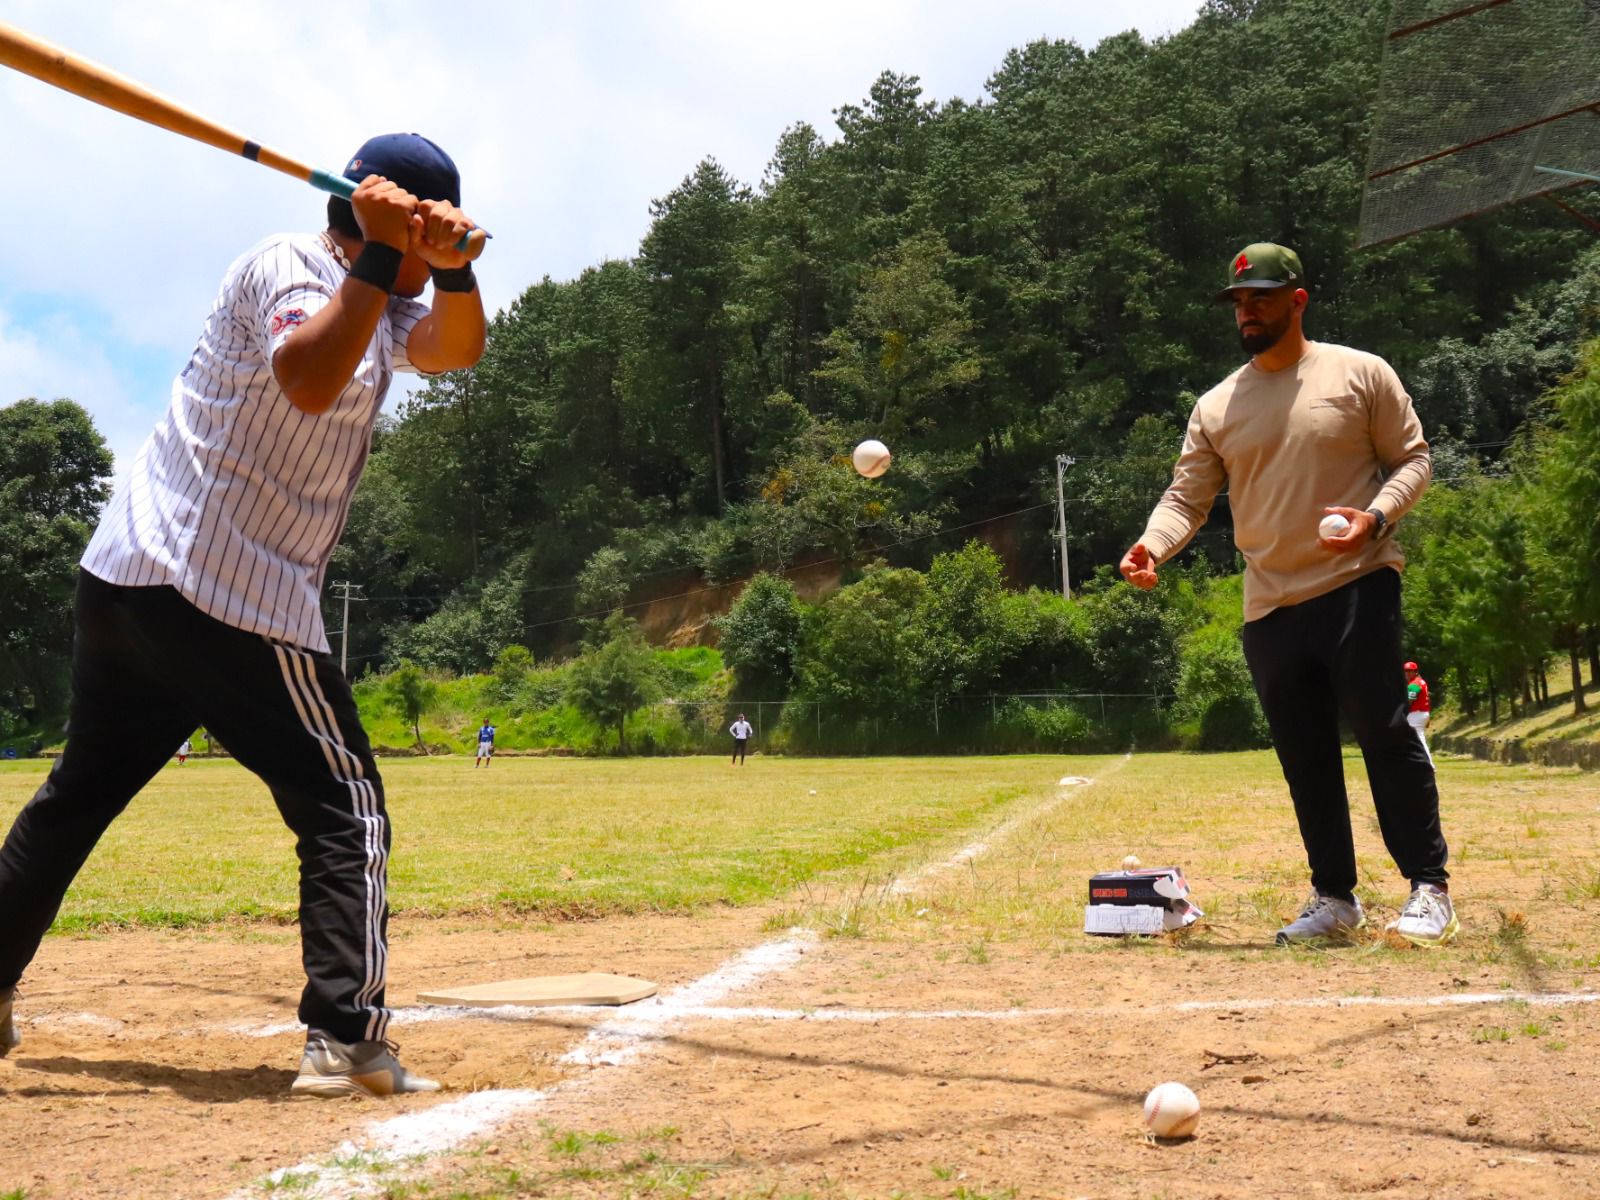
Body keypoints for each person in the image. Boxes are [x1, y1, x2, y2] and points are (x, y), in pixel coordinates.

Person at [0, 133, 487, 1095]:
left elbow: (455, 349)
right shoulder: (291, 265)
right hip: (224, 588)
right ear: (378, 224)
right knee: (345, 808)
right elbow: (307, 378)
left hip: (135, 581)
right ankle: (345, 1039)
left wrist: (456, 270)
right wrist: (390, 251)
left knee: (75, 800)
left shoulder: (385, 303)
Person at [1119, 242, 1456, 948]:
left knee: (1385, 734)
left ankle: (1429, 888)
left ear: (1297, 300)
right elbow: (1186, 498)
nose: (1247, 312)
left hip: (1357, 582)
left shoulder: (1360, 373)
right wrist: (1152, 545)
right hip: (1270, 605)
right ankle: (1335, 899)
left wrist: (1375, 518)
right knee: (1305, 757)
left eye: (1262, 299)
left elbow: (1413, 460)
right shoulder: (1217, 405)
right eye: (1240, 302)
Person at [1405, 661, 1434, 767]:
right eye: (1406, 671)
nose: (1407, 673)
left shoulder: (1414, 684)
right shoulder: (1421, 681)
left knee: (1419, 740)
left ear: (1415, 672)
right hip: (1422, 714)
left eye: (1410, 671)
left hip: (1416, 715)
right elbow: (1428, 699)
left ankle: (1428, 765)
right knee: (1415, 739)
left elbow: (1410, 700)